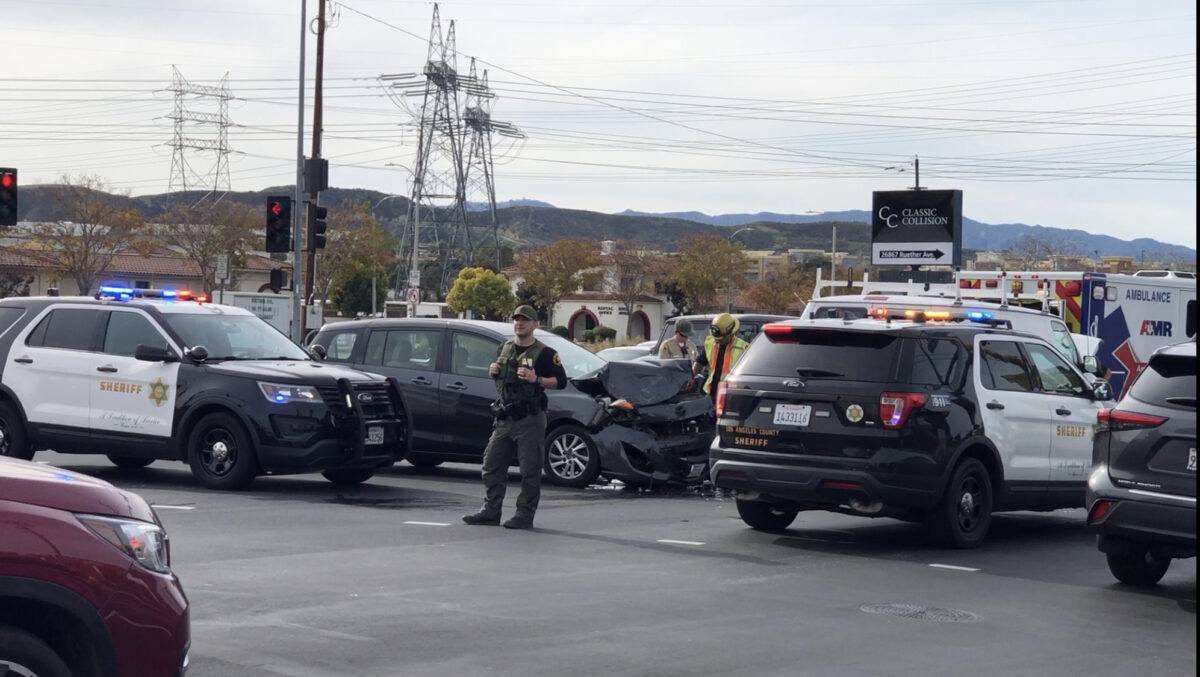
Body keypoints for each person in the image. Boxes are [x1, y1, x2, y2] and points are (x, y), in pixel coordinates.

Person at [463, 305, 568, 530]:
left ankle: (524, 514)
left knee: (530, 469)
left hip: (530, 418)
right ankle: (491, 511)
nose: (520, 323)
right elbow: (502, 379)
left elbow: (561, 381)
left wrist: (536, 379)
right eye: (517, 319)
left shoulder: (546, 353)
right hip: (504, 417)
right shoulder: (504, 348)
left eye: (525, 320)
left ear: (535, 325)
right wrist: (492, 372)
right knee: (491, 465)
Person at [694, 313, 749, 404]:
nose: (717, 340)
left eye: (720, 338)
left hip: (730, 396)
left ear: (730, 334)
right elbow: (699, 362)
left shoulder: (743, 348)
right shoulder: (710, 343)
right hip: (710, 394)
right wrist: (691, 378)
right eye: (715, 338)